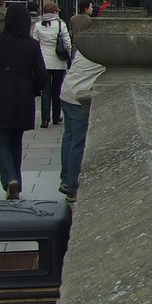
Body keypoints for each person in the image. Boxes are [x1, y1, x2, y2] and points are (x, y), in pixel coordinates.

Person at [0, 3, 48, 200]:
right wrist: (32, 90)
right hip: (23, 95)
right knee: (16, 140)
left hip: (1, 93)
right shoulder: (32, 44)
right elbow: (42, 75)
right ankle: (16, 179)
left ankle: (10, 179)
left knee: (2, 140)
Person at [58, 45, 104, 201]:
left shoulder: (86, 48)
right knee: (78, 143)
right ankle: (73, 187)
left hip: (67, 92)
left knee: (69, 138)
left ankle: (65, 180)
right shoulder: (103, 52)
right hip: (79, 97)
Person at [32, 2, 70, 128]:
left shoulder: (38, 25)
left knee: (45, 90)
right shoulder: (61, 24)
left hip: (43, 62)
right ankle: (56, 116)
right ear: (54, 12)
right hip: (58, 62)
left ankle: (45, 119)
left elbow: (35, 43)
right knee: (57, 89)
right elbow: (67, 43)